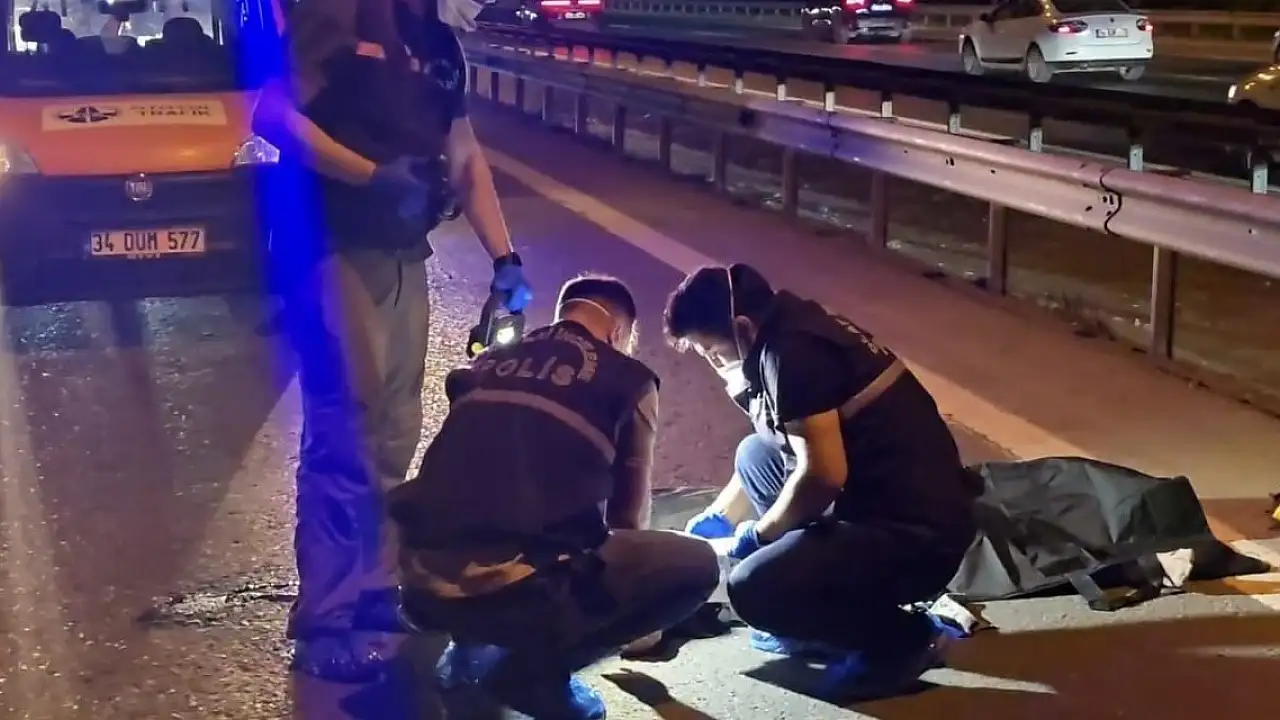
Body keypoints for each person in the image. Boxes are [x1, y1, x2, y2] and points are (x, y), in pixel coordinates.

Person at [251, 0, 532, 682]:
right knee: (346, 430)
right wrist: (371, 177)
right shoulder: (335, 17)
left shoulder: (435, 42)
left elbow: (464, 155)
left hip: (406, 252)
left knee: (396, 431)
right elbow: (273, 115)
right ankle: (325, 617)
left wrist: (505, 258)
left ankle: (375, 590)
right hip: (335, 248)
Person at [388, 275, 720, 720]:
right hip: (510, 598)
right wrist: (643, 625)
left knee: (491, 506)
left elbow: (462, 477)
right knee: (695, 564)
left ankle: (467, 652)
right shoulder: (629, 380)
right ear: (617, 332)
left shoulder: (487, 362)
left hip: (417, 586)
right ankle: (535, 677)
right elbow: (626, 521)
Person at [662, 263, 981, 701]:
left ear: (742, 327)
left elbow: (823, 476)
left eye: (713, 352)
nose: (716, 364)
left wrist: (758, 538)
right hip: (884, 497)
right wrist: (720, 515)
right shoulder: (788, 325)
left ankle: (901, 639)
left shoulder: (793, 356)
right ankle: (810, 593)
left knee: (753, 589)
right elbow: (783, 445)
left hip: (918, 538)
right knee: (754, 456)